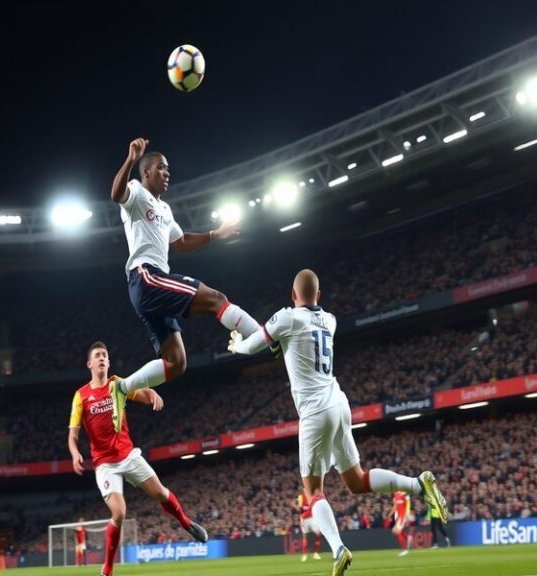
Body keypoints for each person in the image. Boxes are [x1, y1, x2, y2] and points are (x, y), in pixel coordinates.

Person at [228, 269, 449, 576]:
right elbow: (290, 342)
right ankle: (418, 485)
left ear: (293, 296)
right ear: (318, 296)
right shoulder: (329, 320)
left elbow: (254, 346)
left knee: (313, 490)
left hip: (315, 413)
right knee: (356, 481)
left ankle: (338, 550)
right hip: (338, 403)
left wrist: (237, 343)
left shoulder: (286, 318)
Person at [108, 137, 262, 431]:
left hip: (153, 286)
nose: (167, 173)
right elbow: (116, 194)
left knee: (177, 363)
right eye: (161, 168)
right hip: (146, 276)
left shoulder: (165, 210)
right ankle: (263, 339)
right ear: (147, 173)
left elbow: (180, 243)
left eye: (168, 169)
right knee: (216, 298)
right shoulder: (137, 194)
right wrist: (131, 159)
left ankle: (123, 388)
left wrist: (216, 233)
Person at [68, 341, 208, 576]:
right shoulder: (81, 396)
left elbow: (141, 392)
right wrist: (74, 453)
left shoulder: (118, 385)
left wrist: (151, 394)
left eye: (105, 354)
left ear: (108, 362)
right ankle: (108, 568)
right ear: (89, 364)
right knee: (119, 513)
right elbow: (73, 434)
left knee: (161, 493)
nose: (102, 358)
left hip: (128, 455)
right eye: (97, 356)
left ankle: (186, 523)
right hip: (104, 464)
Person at [294, 492, 322, 562]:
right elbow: (295, 503)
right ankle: (304, 554)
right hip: (304, 519)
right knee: (305, 536)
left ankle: (316, 553)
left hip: (312, 518)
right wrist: (299, 508)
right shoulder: (301, 497)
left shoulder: (313, 497)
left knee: (318, 533)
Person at [388, 492, 412, 556]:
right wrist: (390, 515)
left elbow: (408, 505)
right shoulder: (396, 494)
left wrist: (407, 514)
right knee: (394, 531)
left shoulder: (405, 494)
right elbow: (395, 506)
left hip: (403, 516)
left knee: (397, 531)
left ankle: (405, 550)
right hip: (398, 516)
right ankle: (407, 537)